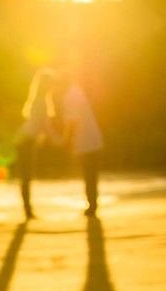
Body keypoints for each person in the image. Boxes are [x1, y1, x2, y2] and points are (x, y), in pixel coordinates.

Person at [54, 69, 104, 216]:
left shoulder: (71, 95)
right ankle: (92, 204)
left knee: (89, 174)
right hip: (88, 140)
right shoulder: (75, 92)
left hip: (86, 141)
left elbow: (72, 122)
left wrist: (67, 141)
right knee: (90, 175)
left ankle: (92, 206)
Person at [16, 68, 56, 220]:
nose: (52, 86)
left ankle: (28, 210)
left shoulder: (38, 100)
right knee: (26, 176)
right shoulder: (41, 102)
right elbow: (46, 127)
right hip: (26, 141)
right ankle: (28, 211)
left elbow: (41, 128)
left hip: (26, 140)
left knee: (26, 176)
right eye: (50, 83)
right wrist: (59, 140)